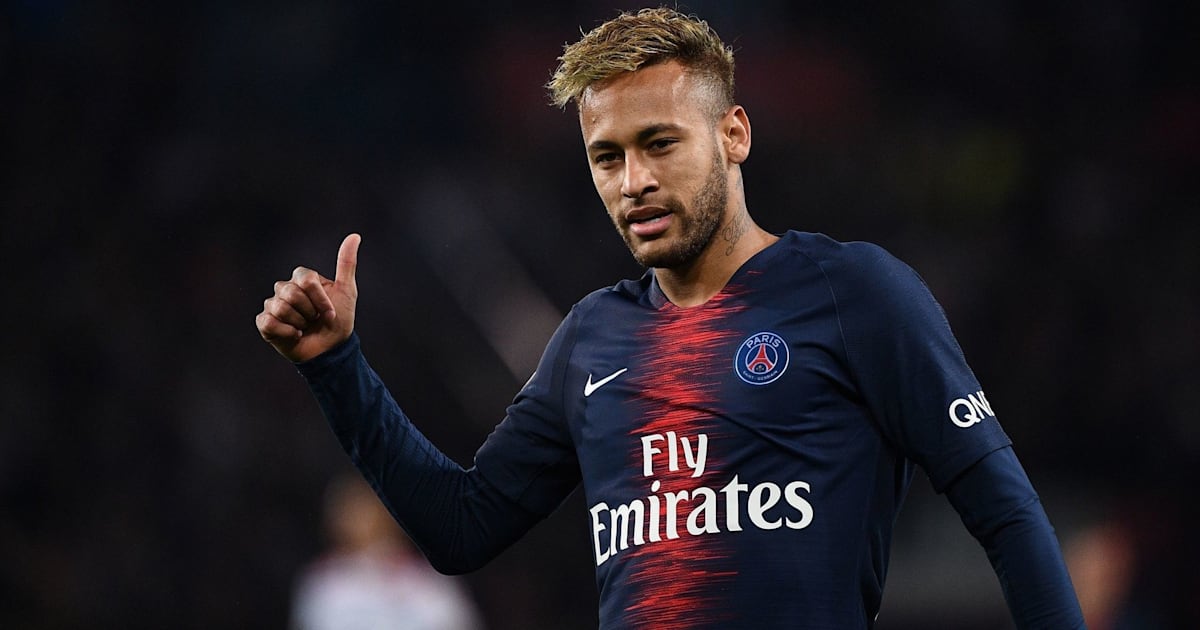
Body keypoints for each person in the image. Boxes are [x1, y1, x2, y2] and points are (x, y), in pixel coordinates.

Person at [256, 7, 1085, 628]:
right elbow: (460, 528)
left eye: (660, 143)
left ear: (734, 134)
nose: (634, 182)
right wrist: (336, 365)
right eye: (607, 157)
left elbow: (1005, 512)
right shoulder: (591, 340)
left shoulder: (855, 293)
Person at [290, 473, 484, 630]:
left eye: (369, 508)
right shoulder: (323, 583)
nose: (361, 519)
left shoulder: (426, 580)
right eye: (351, 510)